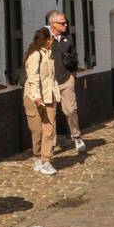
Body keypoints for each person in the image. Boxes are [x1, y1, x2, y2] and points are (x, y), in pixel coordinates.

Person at [46, 10, 86, 153]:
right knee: (51, 114)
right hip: (50, 83)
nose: (65, 25)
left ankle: (76, 136)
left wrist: (72, 75)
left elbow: (74, 55)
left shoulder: (67, 37)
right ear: (52, 24)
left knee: (70, 110)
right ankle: (50, 145)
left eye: (66, 22)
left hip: (66, 80)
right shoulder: (44, 38)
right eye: (62, 23)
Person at [23, 28, 61, 175]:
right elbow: (33, 77)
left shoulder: (49, 55)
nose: (52, 41)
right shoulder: (35, 55)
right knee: (37, 130)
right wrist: (37, 96)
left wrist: (55, 94)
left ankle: (46, 160)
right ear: (46, 40)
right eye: (51, 38)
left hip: (49, 96)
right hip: (34, 98)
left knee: (49, 130)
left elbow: (50, 78)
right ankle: (37, 157)